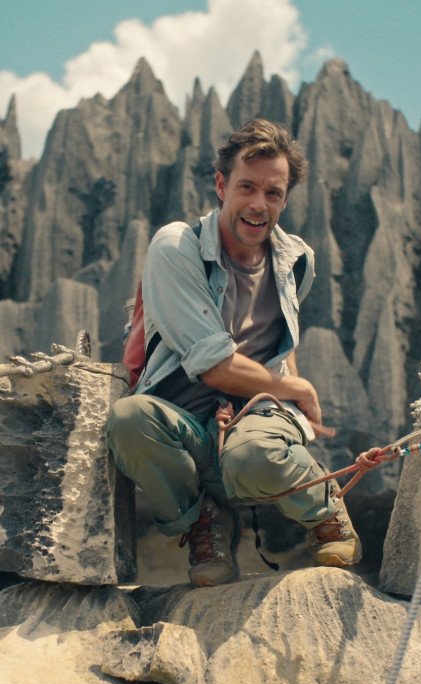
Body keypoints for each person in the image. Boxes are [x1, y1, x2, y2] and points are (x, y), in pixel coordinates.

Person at [107, 119, 377, 587]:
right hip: (183, 423)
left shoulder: (297, 260)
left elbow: (280, 341)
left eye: (273, 193)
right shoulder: (175, 247)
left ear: (285, 200)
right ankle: (205, 520)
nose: (258, 204)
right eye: (247, 187)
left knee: (252, 456)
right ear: (221, 186)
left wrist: (287, 405)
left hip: (256, 417)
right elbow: (213, 364)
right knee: (128, 420)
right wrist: (298, 388)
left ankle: (323, 506)